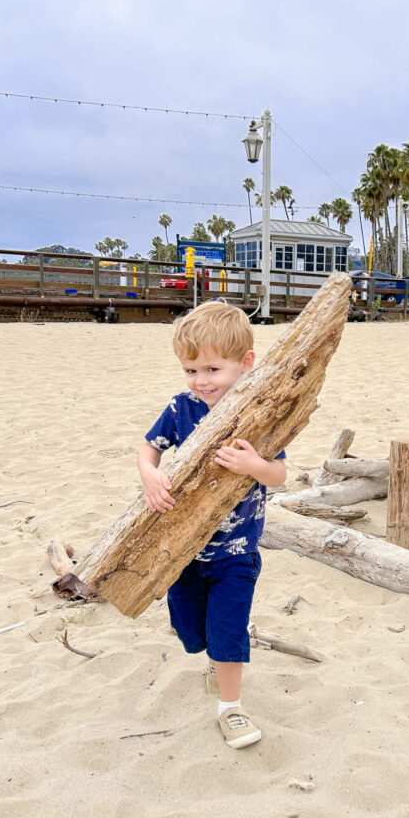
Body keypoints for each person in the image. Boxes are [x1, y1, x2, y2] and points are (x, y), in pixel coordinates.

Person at [138, 300, 287, 749]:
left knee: (227, 630)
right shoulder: (181, 407)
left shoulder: (258, 412)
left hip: (236, 551)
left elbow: (279, 475)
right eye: (190, 371)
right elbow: (149, 449)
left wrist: (254, 463)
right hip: (182, 549)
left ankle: (231, 709)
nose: (201, 381)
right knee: (191, 632)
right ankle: (212, 658)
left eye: (212, 369)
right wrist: (150, 476)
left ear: (246, 364)